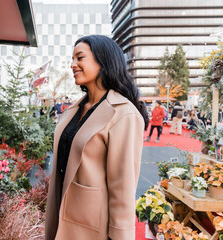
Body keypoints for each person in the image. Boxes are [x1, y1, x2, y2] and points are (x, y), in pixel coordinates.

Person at [45, 35, 149, 240]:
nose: (72, 64)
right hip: (60, 217)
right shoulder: (75, 109)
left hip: (92, 229)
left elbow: (123, 187)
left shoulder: (123, 114)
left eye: (80, 58)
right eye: (72, 59)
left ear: (103, 61)